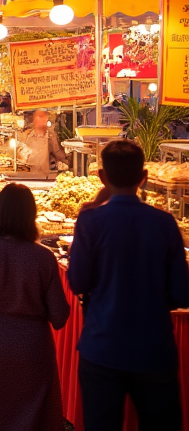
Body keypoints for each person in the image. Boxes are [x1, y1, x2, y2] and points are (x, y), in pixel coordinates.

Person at [68, 139, 189, 430]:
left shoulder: (90, 221)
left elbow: (77, 281)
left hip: (102, 347)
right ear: (144, 178)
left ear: (101, 177)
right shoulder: (165, 223)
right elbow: (182, 293)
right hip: (154, 350)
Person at [0, 184, 70, 431]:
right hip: (34, 346)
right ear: (31, 215)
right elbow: (60, 316)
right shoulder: (44, 257)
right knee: (35, 415)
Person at [20, 109, 69, 174]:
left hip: (46, 175)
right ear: (34, 119)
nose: (43, 119)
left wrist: (66, 164)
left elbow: (60, 155)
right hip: (27, 175)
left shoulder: (51, 136)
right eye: (40, 117)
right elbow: (20, 154)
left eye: (44, 117)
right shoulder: (27, 136)